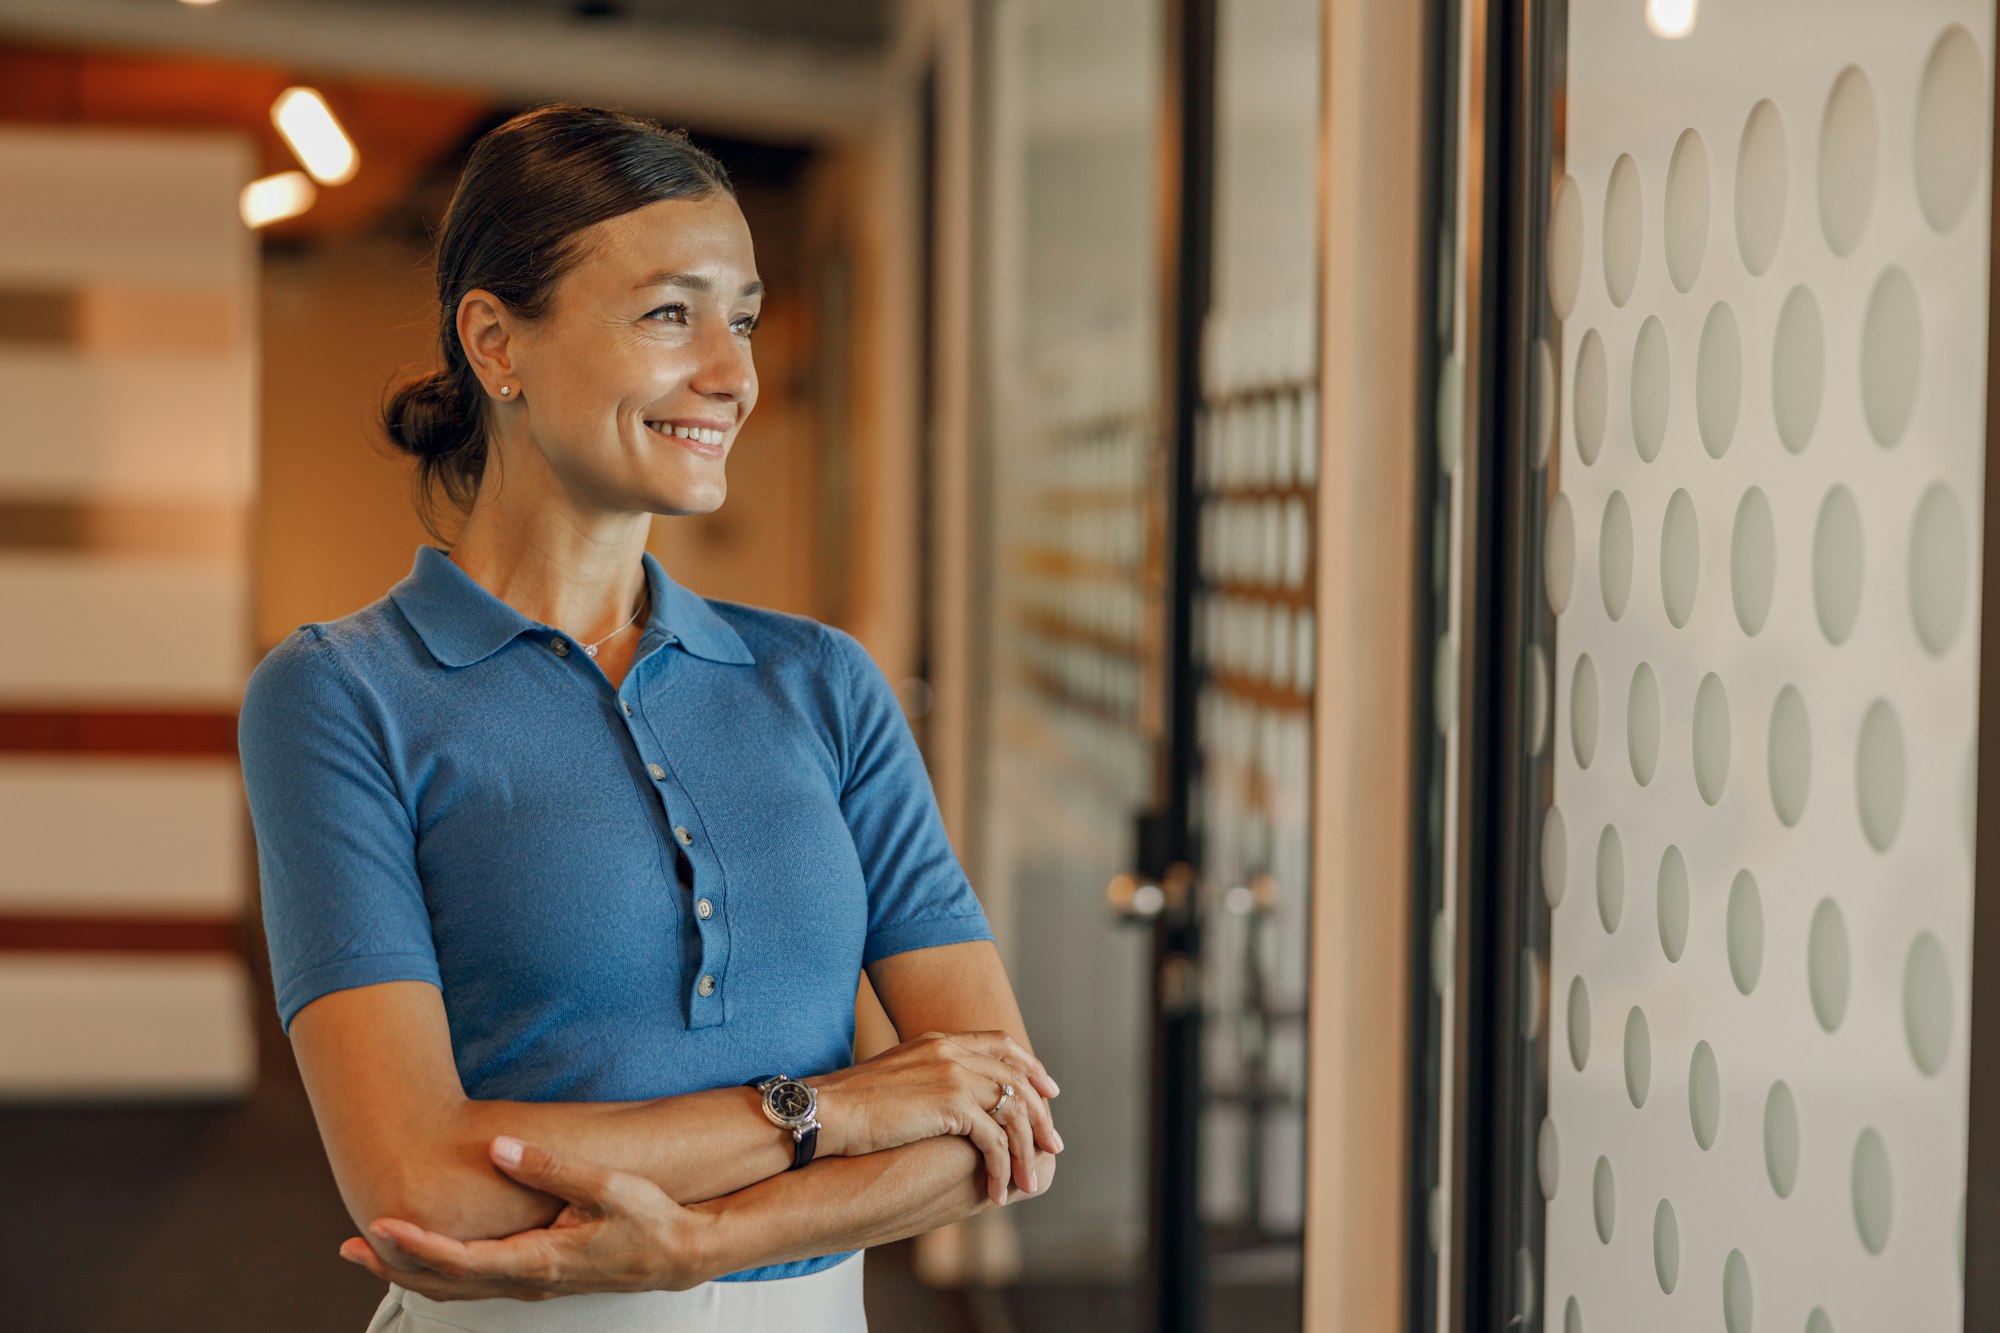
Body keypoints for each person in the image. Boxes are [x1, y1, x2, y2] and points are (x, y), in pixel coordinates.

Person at [236, 104, 1060, 1332]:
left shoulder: (824, 680)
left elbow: (1001, 1121)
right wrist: (844, 1108)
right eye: (671, 314)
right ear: (495, 343)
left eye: (742, 319)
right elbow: (421, 1183)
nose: (731, 375)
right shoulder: (341, 693)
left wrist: (699, 1242)